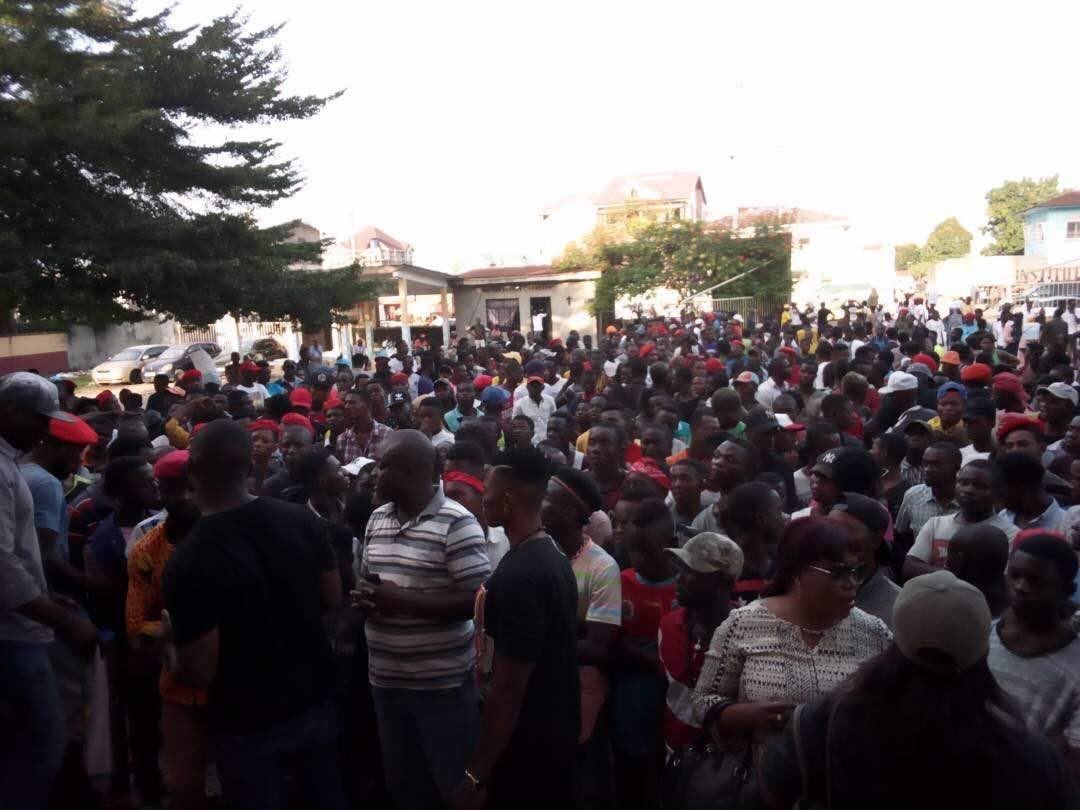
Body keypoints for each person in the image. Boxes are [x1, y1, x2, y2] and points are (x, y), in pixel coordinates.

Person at [753, 570, 1079, 810]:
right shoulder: (1026, 753)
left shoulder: (824, 720)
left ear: (898, 638)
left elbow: (763, 797)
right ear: (983, 650)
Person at [162, 420, 346, 810]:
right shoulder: (301, 520)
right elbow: (333, 597)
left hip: (246, 722)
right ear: (249, 467)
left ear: (191, 471)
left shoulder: (188, 560)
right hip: (314, 699)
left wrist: (169, 645)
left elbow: (199, 672)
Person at [692, 517, 890, 777]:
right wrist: (746, 715)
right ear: (798, 573)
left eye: (857, 571)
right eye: (839, 573)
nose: (852, 583)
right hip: (759, 784)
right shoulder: (743, 624)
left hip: (844, 785)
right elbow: (703, 702)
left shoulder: (874, 633)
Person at [357, 430, 491, 810]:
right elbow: (371, 580)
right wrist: (367, 598)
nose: (374, 473)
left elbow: (478, 600)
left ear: (410, 471)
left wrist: (402, 601)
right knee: (404, 788)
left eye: (382, 465)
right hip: (386, 681)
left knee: (453, 787)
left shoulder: (457, 522)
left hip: (441, 687)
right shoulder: (377, 518)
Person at [453, 448, 579, 810]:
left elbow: (509, 686)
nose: (483, 499)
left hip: (528, 745)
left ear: (508, 498)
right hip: (552, 732)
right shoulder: (550, 553)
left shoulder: (521, 574)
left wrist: (476, 774)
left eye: (487, 490)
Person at [0, 374, 99, 810]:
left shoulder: (11, 464)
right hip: (14, 633)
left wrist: (44, 594)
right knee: (44, 743)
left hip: (22, 620)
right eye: (40, 420)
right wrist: (61, 620)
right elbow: (3, 564)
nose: (45, 431)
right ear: (10, 412)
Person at [125, 450, 208, 810]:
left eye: (192, 488)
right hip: (176, 683)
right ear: (161, 492)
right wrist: (169, 633)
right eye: (177, 489)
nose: (186, 497)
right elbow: (135, 624)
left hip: (234, 679)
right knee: (184, 782)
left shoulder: (233, 533)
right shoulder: (148, 547)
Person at [988, 532, 1080, 781]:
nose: (1021, 587)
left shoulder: (1075, 666)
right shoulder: (982, 635)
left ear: (1067, 590)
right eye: (1015, 575)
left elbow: (1072, 761)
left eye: (1037, 581)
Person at [613, 498, 679, 810]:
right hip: (632, 690)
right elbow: (613, 640)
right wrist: (652, 661)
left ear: (671, 546)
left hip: (671, 691)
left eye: (647, 552)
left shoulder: (684, 587)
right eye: (633, 551)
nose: (638, 559)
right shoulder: (622, 582)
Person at [658, 532, 743, 750]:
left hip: (725, 756)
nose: (678, 578)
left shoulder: (746, 634)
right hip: (675, 750)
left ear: (723, 582)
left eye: (690, 571)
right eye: (679, 569)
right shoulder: (668, 626)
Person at [904, 459, 1018, 578]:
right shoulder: (935, 524)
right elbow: (910, 567)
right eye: (963, 483)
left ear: (998, 494)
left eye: (980, 486)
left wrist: (939, 574)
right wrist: (958, 576)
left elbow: (1002, 580)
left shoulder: (1009, 534)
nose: (969, 490)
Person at [830, 492, 900, 627]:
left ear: (875, 540)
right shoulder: (813, 589)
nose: (831, 536)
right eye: (828, 528)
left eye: (844, 529)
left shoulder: (897, 606)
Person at [443, 441, 510, 572]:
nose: (447, 504)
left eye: (456, 495)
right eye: (445, 496)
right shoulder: (437, 541)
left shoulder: (506, 540)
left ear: (482, 491)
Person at [894, 441, 960, 551]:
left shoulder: (968, 501)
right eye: (925, 463)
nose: (927, 469)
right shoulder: (913, 495)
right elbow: (901, 532)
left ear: (956, 467)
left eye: (936, 464)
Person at [945, 523, 1010, 617]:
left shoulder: (951, 611)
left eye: (949, 555)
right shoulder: (1019, 607)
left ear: (960, 560)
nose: (946, 563)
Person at [998, 451, 1065, 532]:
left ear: (1023, 486)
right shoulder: (1003, 516)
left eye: (1001, 492)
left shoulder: (1065, 523)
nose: (997, 498)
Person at [337, 388, 393, 464]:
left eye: (352, 403)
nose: (347, 406)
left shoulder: (387, 434)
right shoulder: (342, 439)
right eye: (346, 403)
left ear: (368, 404)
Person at [511, 374, 557, 445]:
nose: (534, 388)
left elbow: (554, 420)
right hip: (530, 443)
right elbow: (514, 424)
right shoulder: (519, 404)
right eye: (532, 385)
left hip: (548, 442)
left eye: (537, 385)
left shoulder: (550, 400)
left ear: (543, 387)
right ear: (527, 387)